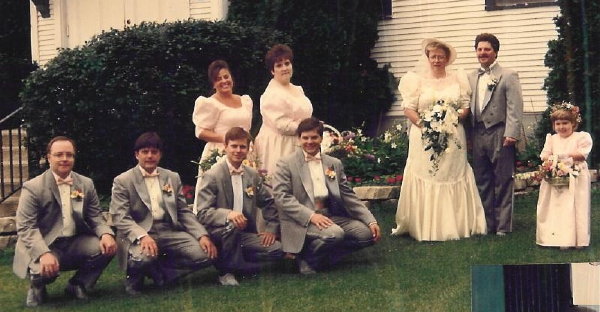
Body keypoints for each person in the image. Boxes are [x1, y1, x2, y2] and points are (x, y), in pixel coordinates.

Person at [391, 38, 487, 241]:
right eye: (433, 56)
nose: (437, 60)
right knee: (429, 174)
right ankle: (425, 226)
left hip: (453, 135)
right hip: (423, 136)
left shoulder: (458, 79)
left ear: (447, 59)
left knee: (450, 173)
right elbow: (408, 108)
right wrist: (426, 125)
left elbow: (465, 106)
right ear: (428, 57)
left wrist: (451, 118)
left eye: (441, 57)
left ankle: (458, 225)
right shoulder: (416, 80)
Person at [13, 136, 117, 307]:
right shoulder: (32, 187)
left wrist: (105, 233)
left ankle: (77, 284)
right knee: (41, 272)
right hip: (46, 243)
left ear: (74, 157)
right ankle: (37, 286)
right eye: (58, 154)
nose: (64, 159)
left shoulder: (85, 183)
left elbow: (95, 216)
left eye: (69, 155)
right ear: (49, 158)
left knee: (107, 247)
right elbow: (26, 227)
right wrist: (43, 253)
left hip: (75, 242)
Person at [110, 132, 217, 295]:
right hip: (139, 232)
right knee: (144, 257)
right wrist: (142, 236)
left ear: (160, 154)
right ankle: (134, 281)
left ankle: (164, 275)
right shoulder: (123, 180)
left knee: (206, 254)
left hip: (169, 230)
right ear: (136, 154)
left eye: (154, 152)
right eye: (145, 152)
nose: (150, 156)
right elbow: (120, 217)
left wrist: (202, 235)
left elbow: (183, 212)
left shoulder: (172, 177)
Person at [273, 117, 381, 274]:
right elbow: (281, 197)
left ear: (321, 138)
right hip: (301, 219)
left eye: (314, 137)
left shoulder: (333, 163)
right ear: (299, 139)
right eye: (305, 138)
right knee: (335, 234)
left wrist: (371, 221)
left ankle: (324, 257)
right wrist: (311, 216)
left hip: (329, 216)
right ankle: (306, 259)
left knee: (366, 235)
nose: (309, 141)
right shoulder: (286, 163)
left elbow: (348, 195)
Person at [196, 127, 283, 286]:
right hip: (219, 232)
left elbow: (269, 202)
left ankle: (240, 264)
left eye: (242, 147)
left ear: (248, 149)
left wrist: (271, 228)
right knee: (232, 225)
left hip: (244, 233)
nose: (238, 150)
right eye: (234, 146)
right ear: (225, 147)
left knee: (276, 250)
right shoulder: (212, 175)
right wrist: (228, 214)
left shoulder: (252, 175)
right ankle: (226, 271)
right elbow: (202, 212)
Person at [468, 33, 524, 236]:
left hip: (500, 132)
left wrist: (511, 133)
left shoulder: (508, 75)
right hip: (477, 133)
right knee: (481, 180)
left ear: (495, 52)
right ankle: (487, 224)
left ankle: (502, 227)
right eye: (479, 49)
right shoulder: (471, 77)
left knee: (502, 181)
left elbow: (515, 107)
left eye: (487, 49)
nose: (482, 53)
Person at [192, 60, 253, 210]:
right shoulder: (209, 103)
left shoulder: (244, 101)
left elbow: (247, 129)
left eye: (226, 77)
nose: (224, 81)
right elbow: (200, 132)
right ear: (213, 84)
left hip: (244, 152)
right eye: (218, 79)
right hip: (220, 152)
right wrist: (227, 139)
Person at [536, 103, 592, 249]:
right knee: (557, 207)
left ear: (573, 123)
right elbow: (545, 155)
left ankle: (577, 239)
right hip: (556, 175)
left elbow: (582, 155)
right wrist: (550, 162)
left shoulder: (581, 137)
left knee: (574, 206)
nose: (561, 127)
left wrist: (563, 156)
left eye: (565, 123)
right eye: (558, 123)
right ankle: (560, 238)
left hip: (576, 175)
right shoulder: (552, 139)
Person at [255, 44, 313, 177]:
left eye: (287, 63)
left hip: (301, 141)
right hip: (280, 147)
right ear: (272, 71)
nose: (284, 68)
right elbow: (282, 125)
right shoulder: (271, 94)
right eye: (279, 65)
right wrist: (308, 128)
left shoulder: (297, 89)